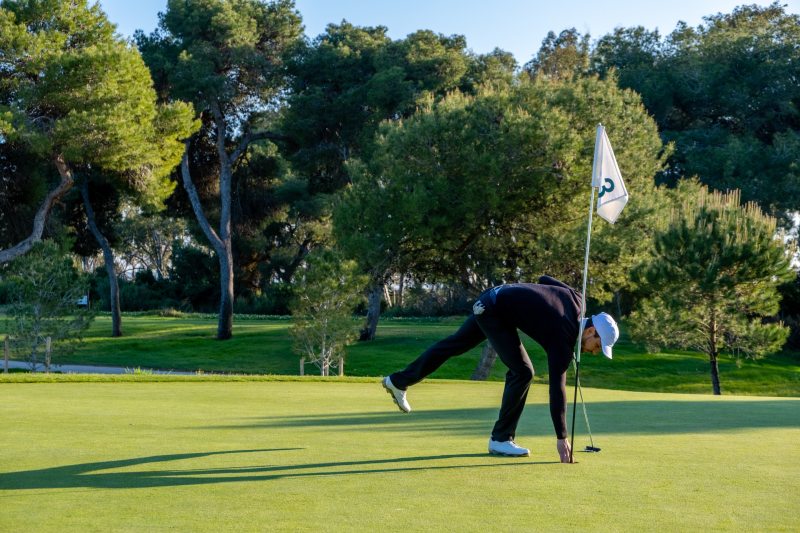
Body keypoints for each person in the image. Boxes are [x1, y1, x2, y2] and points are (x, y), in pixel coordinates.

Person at [381, 276, 619, 463]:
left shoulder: (578, 298)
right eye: (597, 346)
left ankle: (398, 381)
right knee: (523, 371)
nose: (596, 352)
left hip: (493, 298)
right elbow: (558, 390)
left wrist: (531, 302)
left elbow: (545, 279)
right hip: (494, 310)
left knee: (453, 345)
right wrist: (562, 438)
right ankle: (501, 439)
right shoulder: (562, 341)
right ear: (590, 331)